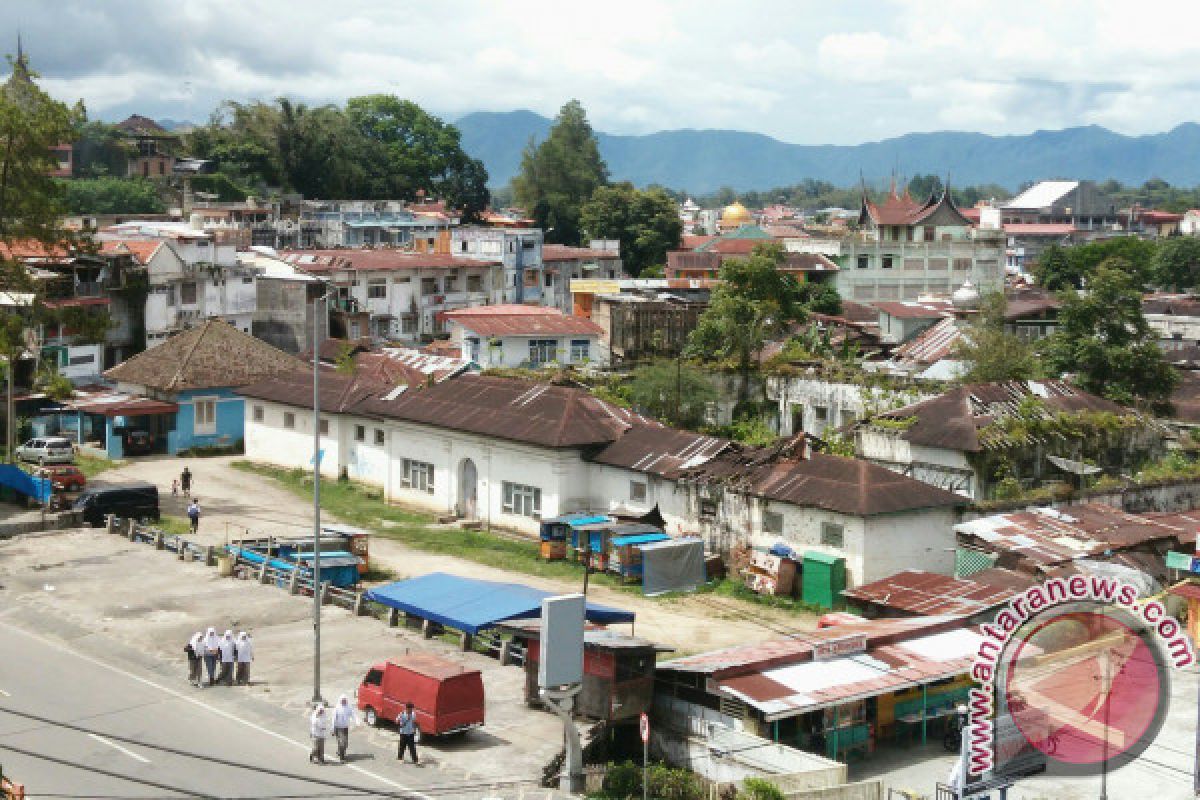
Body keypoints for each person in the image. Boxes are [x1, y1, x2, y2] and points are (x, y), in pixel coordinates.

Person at [332, 693, 357, 762]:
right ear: (340, 700)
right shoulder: (337, 708)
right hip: (338, 728)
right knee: (342, 742)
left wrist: (356, 722)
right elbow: (333, 719)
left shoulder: (348, 707)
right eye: (342, 700)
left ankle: (340, 752)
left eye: (345, 700)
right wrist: (333, 728)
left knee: (345, 743)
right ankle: (342, 758)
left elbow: (353, 714)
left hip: (345, 728)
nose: (344, 701)